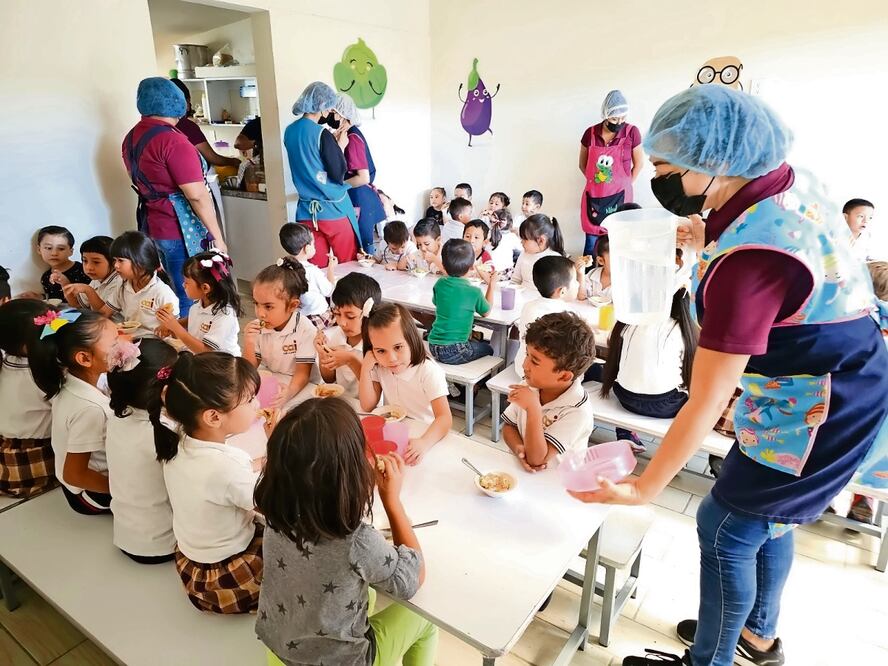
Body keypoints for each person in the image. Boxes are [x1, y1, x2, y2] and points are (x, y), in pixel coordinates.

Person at [568, 85, 888, 666]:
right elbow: (768, 238)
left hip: (821, 409)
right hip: (832, 382)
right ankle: (758, 636)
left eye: (664, 166)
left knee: (725, 527)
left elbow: (706, 396)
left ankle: (708, 661)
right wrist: (708, 235)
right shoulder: (781, 178)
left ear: (712, 165)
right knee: (770, 521)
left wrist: (643, 487)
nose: (654, 178)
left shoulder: (748, 266)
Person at [255, 398, 437, 665]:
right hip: (341, 661)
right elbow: (412, 579)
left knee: (369, 593)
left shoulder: (276, 512)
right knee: (425, 619)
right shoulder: (355, 540)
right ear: (352, 469)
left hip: (279, 647)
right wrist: (392, 502)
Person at [150, 352, 264, 613]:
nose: (257, 405)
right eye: (249, 399)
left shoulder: (177, 437)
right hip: (228, 572)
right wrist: (280, 450)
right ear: (213, 417)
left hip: (192, 564)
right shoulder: (225, 468)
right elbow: (275, 504)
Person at [123, 77, 227, 315]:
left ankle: (174, 342)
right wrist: (218, 238)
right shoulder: (172, 140)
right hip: (178, 228)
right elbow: (197, 195)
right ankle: (189, 348)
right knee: (188, 294)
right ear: (178, 103)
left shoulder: (131, 137)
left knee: (165, 289)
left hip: (150, 226)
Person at [30, 310, 118, 514]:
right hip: (90, 493)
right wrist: (126, 492)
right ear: (85, 358)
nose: (124, 346)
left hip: (87, 482)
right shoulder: (90, 408)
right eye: (114, 343)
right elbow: (74, 474)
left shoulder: (71, 378)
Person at [594, 287, 698, 452]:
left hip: (625, 398)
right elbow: (690, 377)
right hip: (665, 407)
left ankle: (625, 434)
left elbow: (617, 363)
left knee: (598, 369)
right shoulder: (682, 330)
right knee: (700, 400)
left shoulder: (631, 321)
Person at [105, 338, 177, 564]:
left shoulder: (117, 419)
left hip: (126, 535)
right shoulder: (162, 432)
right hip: (163, 543)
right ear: (165, 391)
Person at [359, 303, 452, 465]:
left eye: (398, 347)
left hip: (426, 437)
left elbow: (445, 418)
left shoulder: (427, 371)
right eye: (381, 350)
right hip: (394, 435)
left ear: (411, 339)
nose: (391, 358)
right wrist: (365, 368)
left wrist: (423, 442)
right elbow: (367, 406)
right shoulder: (380, 367)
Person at [503, 311, 596, 470]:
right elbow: (509, 425)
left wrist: (533, 408)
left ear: (564, 376)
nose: (525, 365)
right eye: (527, 354)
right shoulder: (529, 386)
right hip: (524, 477)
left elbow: (537, 460)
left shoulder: (577, 411)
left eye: (535, 361)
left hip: (558, 484)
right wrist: (519, 448)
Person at [283, 82, 359, 267]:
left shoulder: (289, 131)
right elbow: (337, 174)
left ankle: (320, 298)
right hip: (334, 210)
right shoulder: (321, 133)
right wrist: (339, 148)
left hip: (306, 212)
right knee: (347, 265)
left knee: (314, 268)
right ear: (324, 107)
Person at [0, 300, 58, 498]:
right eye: (49, 330)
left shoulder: (8, 360)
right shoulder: (40, 373)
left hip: (6, 447)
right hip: (33, 456)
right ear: (27, 346)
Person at [243, 259, 317, 411]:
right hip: (273, 383)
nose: (260, 313)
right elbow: (249, 369)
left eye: (268, 306)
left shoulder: (305, 329)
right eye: (256, 303)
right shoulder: (259, 327)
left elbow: (302, 374)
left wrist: (288, 393)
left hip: (300, 387)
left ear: (293, 306)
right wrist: (249, 342)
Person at [578, 90, 644, 256]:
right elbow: (582, 164)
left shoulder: (632, 132)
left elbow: (639, 164)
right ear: (605, 115)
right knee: (591, 245)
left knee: (618, 243)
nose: (619, 122)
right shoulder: (590, 134)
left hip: (621, 197)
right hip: (594, 197)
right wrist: (597, 183)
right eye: (614, 118)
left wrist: (625, 184)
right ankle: (588, 277)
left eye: (623, 118)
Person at [155, 250, 242, 355]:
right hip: (200, 359)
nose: (183, 285)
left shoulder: (225, 314)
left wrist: (176, 328)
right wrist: (173, 324)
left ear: (205, 288)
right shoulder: (200, 303)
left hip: (220, 366)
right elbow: (195, 318)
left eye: (186, 282)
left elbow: (206, 351)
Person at [332, 94, 387, 255]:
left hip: (360, 199)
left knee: (364, 252)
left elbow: (363, 177)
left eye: (332, 111)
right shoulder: (346, 135)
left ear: (341, 114)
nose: (328, 115)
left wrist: (337, 188)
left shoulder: (353, 137)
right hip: (357, 199)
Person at [428, 239, 497, 365]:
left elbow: (436, 302)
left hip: (433, 346)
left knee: (474, 343)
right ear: (471, 267)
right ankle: (476, 384)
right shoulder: (473, 292)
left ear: (443, 265)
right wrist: (491, 285)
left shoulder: (440, 284)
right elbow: (486, 312)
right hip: (456, 350)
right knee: (489, 349)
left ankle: (473, 337)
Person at [315, 273, 382, 400]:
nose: (342, 322)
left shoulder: (378, 345)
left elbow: (373, 396)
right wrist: (323, 355)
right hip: (342, 402)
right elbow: (329, 379)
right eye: (337, 314)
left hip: (369, 409)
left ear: (369, 312)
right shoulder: (337, 335)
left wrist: (350, 360)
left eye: (350, 316)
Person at [105, 232, 179, 338]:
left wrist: (165, 327)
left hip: (155, 341)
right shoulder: (122, 284)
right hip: (130, 338)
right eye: (114, 260)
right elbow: (105, 312)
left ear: (141, 262)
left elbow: (174, 328)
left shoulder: (162, 292)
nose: (116, 265)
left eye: (121, 261)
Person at [514, 256, 580, 375]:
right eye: (575, 280)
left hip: (523, 368)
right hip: (549, 376)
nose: (578, 284)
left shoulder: (528, 306)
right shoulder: (569, 315)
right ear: (562, 291)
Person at [169, 78, 241, 170]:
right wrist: (234, 161)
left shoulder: (154, 127)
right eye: (187, 102)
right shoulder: (187, 126)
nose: (188, 108)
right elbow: (213, 158)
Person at [279, 223, 337, 325]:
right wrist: (331, 268)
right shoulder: (311, 271)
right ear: (307, 248)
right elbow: (329, 291)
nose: (314, 247)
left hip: (295, 319)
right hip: (317, 317)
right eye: (313, 244)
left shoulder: (284, 267)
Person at [61, 236, 123, 314]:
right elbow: (77, 305)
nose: (88, 267)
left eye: (96, 262)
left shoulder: (118, 281)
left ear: (114, 263)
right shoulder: (96, 280)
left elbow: (103, 314)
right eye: (85, 261)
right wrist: (64, 284)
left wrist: (88, 290)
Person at [511, 214, 566, 293]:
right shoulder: (524, 254)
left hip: (542, 302)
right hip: (521, 299)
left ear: (541, 241)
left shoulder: (555, 259)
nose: (521, 242)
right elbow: (515, 280)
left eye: (525, 239)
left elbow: (557, 292)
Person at [36, 226, 89, 301]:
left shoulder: (84, 270)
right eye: (48, 248)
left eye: (61, 249)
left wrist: (66, 283)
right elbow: (56, 299)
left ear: (71, 251)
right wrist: (40, 297)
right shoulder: (46, 277)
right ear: (39, 249)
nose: (54, 253)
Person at [576, 235, 612, 301]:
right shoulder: (592, 274)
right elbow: (581, 296)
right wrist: (581, 274)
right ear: (601, 261)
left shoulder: (624, 280)